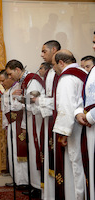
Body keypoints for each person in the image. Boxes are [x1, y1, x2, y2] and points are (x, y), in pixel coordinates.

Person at [6, 59, 45, 198]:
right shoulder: (25, 81)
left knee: (36, 153)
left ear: (17, 69)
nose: (9, 77)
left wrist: (20, 99)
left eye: (10, 74)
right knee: (32, 153)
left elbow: (34, 99)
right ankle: (34, 185)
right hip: (30, 119)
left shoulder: (32, 79)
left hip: (37, 119)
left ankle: (40, 187)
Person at [52, 49, 87, 200]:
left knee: (76, 163)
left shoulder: (67, 78)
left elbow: (66, 106)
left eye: (54, 65)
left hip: (76, 128)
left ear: (61, 62)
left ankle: (79, 196)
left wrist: (63, 133)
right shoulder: (83, 73)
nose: (53, 69)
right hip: (86, 125)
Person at [37, 40, 60, 200]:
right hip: (49, 120)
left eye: (44, 51)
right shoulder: (51, 72)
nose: (42, 54)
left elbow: (58, 100)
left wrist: (40, 101)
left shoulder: (60, 71)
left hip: (57, 121)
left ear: (54, 50)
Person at [0, 70, 29, 189]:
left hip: (18, 123)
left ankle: (24, 181)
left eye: (3, 80)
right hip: (11, 125)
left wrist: (11, 98)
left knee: (20, 153)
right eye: (0, 81)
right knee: (12, 152)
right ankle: (16, 179)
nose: (1, 83)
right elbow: (4, 109)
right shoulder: (7, 91)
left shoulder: (18, 87)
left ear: (10, 78)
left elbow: (20, 106)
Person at [74, 33, 95, 200]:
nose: (93, 46)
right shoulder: (93, 72)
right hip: (91, 127)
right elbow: (84, 96)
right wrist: (79, 112)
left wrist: (90, 117)